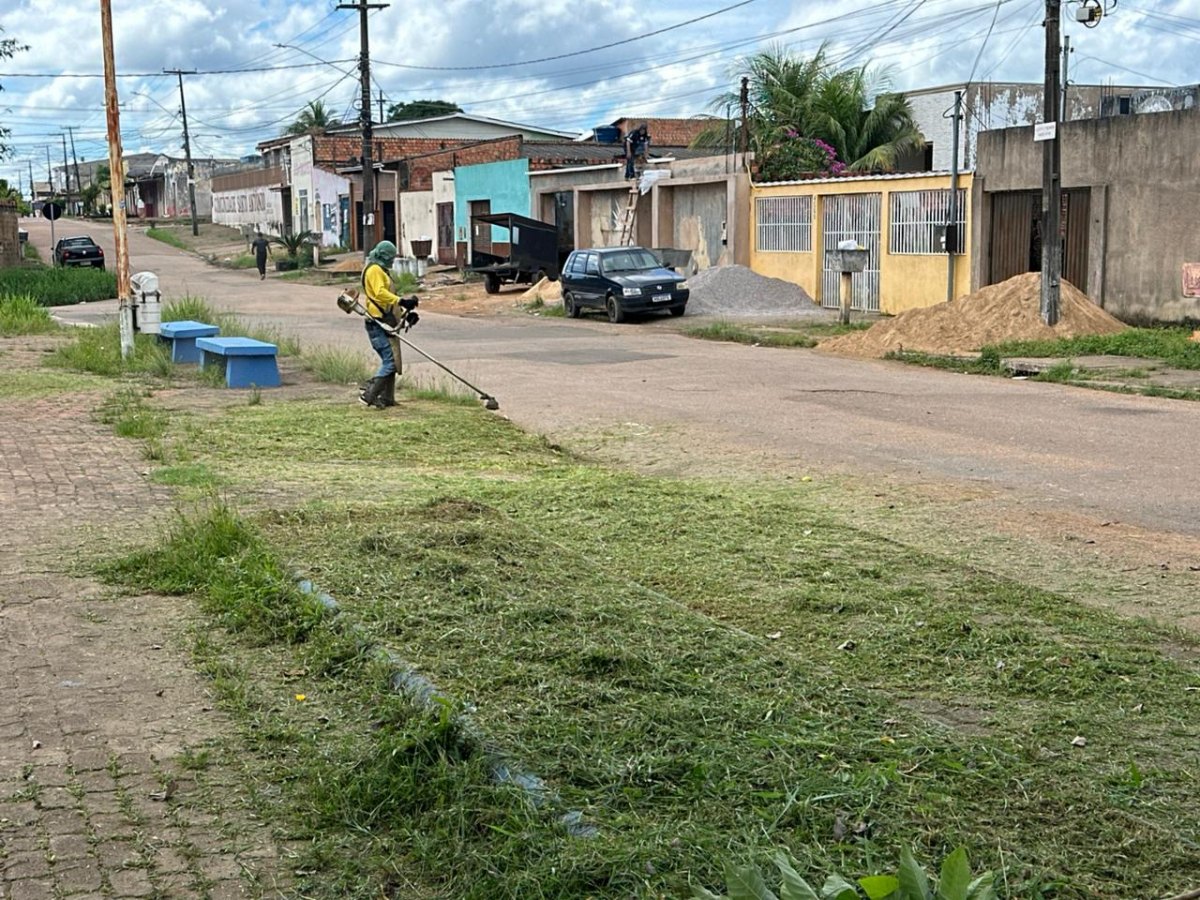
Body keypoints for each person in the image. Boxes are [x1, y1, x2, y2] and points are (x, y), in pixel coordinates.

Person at [358, 240, 416, 409]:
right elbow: (379, 293)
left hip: (385, 320)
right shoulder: (374, 270)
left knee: (393, 360)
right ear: (384, 256)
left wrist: (406, 315)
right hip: (376, 323)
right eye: (391, 257)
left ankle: (387, 398)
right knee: (390, 362)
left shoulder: (381, 270)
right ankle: (369, 395)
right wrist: (401, 301)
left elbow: (388, 300)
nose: (392, 260)